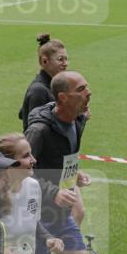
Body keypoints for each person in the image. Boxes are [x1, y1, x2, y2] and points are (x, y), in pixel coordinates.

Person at [24, 71, 94, 254]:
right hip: (35, 211)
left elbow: (63, 157)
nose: (88, 93)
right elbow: (20, 172)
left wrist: (74, 174)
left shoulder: (78, 121)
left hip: (58, 211)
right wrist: (54, 192)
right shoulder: (39, 130)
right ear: (62, 97)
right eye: (81, 89)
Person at [18, 33, 89, 228]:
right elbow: (33, 130)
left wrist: (74, 172)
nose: (65, 63)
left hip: (61, 167)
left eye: (66, 58)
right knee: (71, 215)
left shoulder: (57, 88)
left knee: (76, 213)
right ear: (44, 61)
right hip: (46, 168)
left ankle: (63, 253)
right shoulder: (39, 91)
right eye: (60, 59)